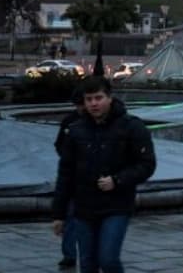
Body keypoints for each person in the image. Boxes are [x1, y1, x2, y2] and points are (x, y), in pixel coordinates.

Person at [52, 76, 156, 273]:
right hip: (84, 208)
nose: (93, 103)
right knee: (88, 264)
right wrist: (59, 214)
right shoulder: (76, 130)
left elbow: (146, 164)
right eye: (89, 99)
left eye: (98, 98)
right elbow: (65, 173)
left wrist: (118, 180)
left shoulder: (131, 126)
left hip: (116, 206)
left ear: (109, 98)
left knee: (108, 259)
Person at [53, 86, 87, 270]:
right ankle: (69, 255)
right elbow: (59, 144)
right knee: (71, 216)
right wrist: (69, 158)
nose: (81, 108)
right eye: (78, 105)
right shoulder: (69, 121)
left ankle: (87, 254)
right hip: (74, 177)